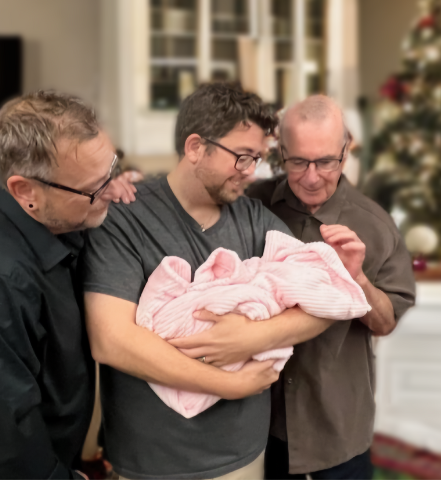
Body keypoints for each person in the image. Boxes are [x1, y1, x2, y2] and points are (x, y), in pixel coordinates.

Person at [82, 83, 333, 480]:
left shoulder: (255, 220)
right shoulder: (124, 217)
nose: (251, 171)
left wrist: (254, 336)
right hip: (152, 460)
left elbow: (325, 298)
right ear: (196, 147)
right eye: (242, 156)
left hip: (245, 453)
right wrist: (227, 384)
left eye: (259, 158)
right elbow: (110, 341)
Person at [0, 91, 136, 479]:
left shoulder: (58, 220)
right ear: (25, 191)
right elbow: (4, 443)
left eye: (112, 168)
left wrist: (105, 186)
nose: (108, 191)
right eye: (92, 187)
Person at [247, 95, 417, 479]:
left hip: (338, 427)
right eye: (298, 161)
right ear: (281, 152)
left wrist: (357, 280)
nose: (311, 176)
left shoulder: (376, 224)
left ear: (346, 151)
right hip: (261, 424)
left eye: (326, 161)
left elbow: (387, 322)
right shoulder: (252, 206)